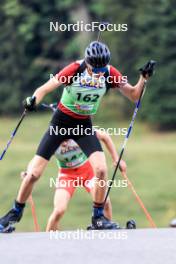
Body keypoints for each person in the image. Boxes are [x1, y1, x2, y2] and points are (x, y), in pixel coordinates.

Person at [0, 41, 153, 232]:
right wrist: (33, 101)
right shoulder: (74, 69)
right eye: (94, 69)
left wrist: (143, 78)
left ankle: (98, 218)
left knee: (101, 169)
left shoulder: (109, 72)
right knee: (34, 174)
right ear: (87, 62)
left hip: (83, 125)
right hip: (60, 124)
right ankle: (15, 213)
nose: (98, 73)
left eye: (101, 68)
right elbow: (45, 88)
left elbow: (134, 95)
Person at [46, 130, 126, 231]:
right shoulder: (51, 139)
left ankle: (105, 233)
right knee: (59, 210)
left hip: (87, 172)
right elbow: (39, 159)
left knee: (105, 202)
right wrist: (29, 174)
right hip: (67, 175)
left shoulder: (80, 130)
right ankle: (47, 241)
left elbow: (105, 136)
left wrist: (116, 159)